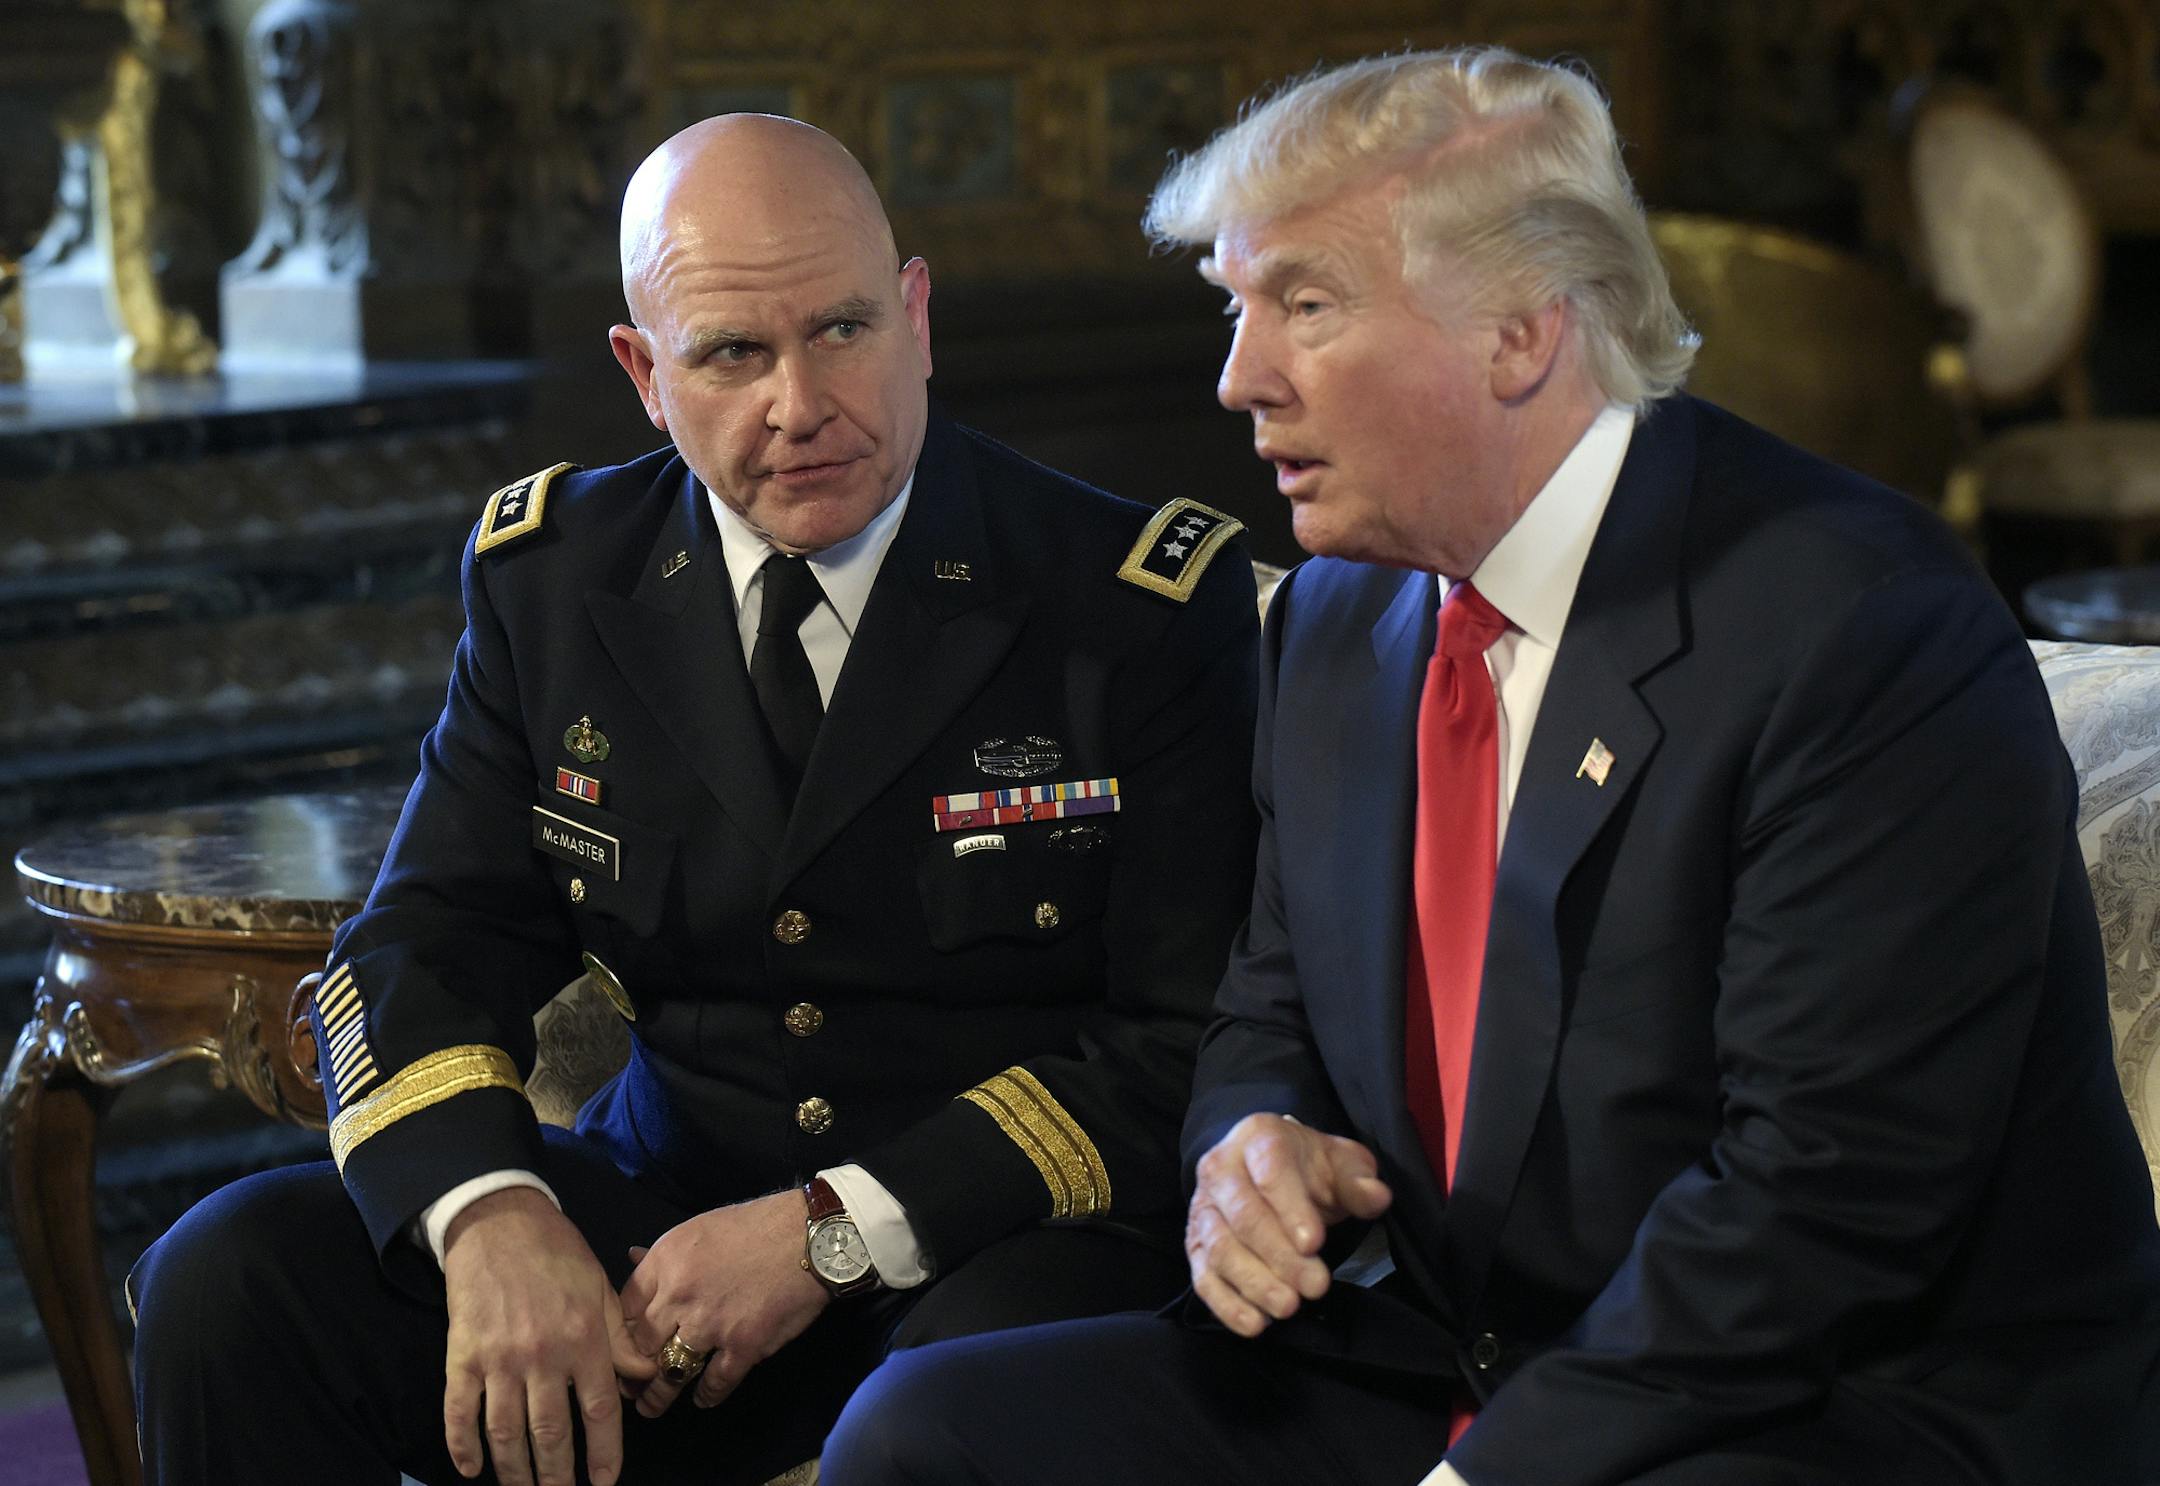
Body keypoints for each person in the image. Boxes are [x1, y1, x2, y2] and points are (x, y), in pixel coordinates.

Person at [819, 47, 2160, 1486]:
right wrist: (1249, 1147)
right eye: (1234, 307)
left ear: (1522, 332)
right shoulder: (1337, 615)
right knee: (924, 1437)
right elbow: (1269, 1001)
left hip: (1830, 1400)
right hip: (1445, 1351)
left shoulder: (1860, 628)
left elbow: (1822, 1209)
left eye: (1305, 305)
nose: (1235, 378)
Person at [129, 114, 1260, 1486]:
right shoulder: (556, 581)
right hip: (663, 1241)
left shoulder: (1130, 600)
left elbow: (1177, 1046)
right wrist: (492, 1217)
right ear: (644, 374)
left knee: (949, 1415)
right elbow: (422, 944)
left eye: (842, 329)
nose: (801, 401)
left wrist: (829, 1227)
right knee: (229, 1277)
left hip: (996, 1248)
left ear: (915, 314)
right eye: (733, 352)